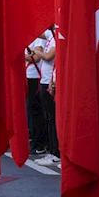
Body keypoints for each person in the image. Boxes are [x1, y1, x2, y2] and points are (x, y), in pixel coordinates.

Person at [34, 29, 60, 167]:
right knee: (49, 119)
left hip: (51, 82)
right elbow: (37, 32)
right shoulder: (50, 35)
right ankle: (52, 149)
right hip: (44, 81)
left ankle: (57, 152)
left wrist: (36, 51)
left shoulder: (56, 36)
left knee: (54, 119)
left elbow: (49, 56)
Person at [25, 34, 47, 155]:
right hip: (28, 75)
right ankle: (34, 139)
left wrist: (19, 56)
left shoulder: (39, 38)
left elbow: (36, 58)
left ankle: (39, 143)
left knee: (36, 111)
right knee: (30, 110)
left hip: (35, 76)